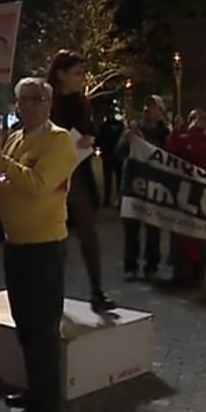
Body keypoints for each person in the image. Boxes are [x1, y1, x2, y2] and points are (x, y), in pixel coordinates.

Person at [0, 77, 76, 412]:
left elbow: (37, 185)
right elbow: (0, 184)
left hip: (44, 244)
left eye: (37, 99)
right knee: (25, 324)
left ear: (49, 104)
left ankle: (47, 403)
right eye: (24, 100)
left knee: (42, 328)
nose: (30, 106)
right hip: (16, 242)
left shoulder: (58, 140)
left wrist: (1, 165)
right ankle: (36, 390)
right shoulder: (16, 139)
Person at [46, 50, 115, 311]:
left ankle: (97, 291)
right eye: (76, 73)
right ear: (61, 74)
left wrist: (90, 139)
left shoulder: (81, 103)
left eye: (82, 73)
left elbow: (90, 130)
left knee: (88, 233)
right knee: (55, 236)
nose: (81, 78)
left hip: (78, 173)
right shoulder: (48, 102)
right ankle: (52, 293)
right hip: (55, 174)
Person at [116, 95, 169, 281]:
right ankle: (130, 266)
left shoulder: (164, 134)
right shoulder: (132, 129)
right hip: (132, 184)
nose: (148, 109)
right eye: (147, 105)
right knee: (131, 229)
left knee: (153, 230)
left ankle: (151, 265)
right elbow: (118, 153)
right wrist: (127, 141)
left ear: (160, 111)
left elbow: (167, 157)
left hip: (154, 186)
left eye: (153, 106)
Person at [165, 109, 206, 287]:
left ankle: (198, 271)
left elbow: (203, 154)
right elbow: (170, 151)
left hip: (200, 195)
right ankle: (180, 269)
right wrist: (176, 130)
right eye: (192, 118)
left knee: (199, 234)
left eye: (199, 118)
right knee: (180, 233)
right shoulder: (182, 139)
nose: (196, 122)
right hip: (182, 194)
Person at [97, 114, 124, 207]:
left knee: (113, 178)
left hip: (113, 154)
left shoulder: (106, 126)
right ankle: (112, 199)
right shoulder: (115, 126)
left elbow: (100, 139)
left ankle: (111, 199)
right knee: (113, 178)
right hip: (111, 154)